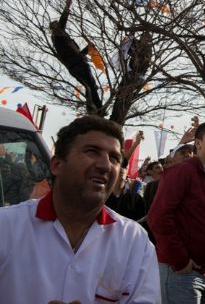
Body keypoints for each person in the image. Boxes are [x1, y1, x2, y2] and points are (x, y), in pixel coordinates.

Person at [0, 116, 160, 302]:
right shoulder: (6, 227)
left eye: (114, 158)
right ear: (57, 165)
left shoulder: (134, 241)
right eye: (92, 151)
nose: (105, 165)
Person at [148, 121, 205, 304]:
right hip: (181, 273)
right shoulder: (182, 171)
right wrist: (180, 260)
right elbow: (158, 217)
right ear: (198, 143)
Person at [49, 0, 103, 115]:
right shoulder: (58, 37)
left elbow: (75, 54)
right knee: (91, 86)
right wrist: (67, 6)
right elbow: (63, 21)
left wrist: (87, 49)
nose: (59, 27)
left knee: (91, 87)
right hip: (76, 64)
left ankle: (96, 108)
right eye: (56, 26)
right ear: (54, 29)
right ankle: (98, 108)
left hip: (77, 63)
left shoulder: (63, 38)